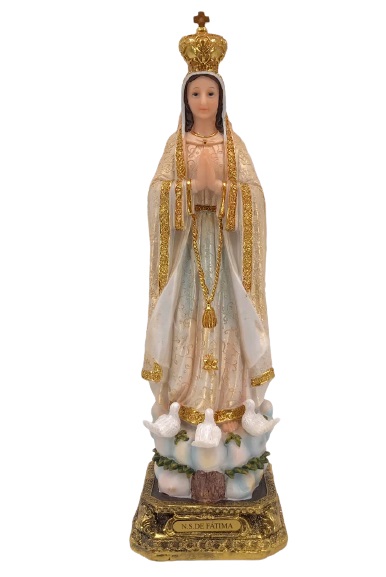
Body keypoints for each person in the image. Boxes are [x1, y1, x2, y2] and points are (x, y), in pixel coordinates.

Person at [141, 16, 275, 437]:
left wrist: (218, 190)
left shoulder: (233, 146)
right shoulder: (175, 146)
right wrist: (186, 191)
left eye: (211, 93)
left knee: (229, 321)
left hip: (225, 251)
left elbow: (255, 197)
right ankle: (186, 402)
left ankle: (230, 404)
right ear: (185, 98)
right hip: (189, 252)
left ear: (222, 97)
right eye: (196, 92)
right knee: (187, 319)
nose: (204, 100)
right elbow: (156, 194)